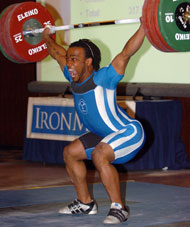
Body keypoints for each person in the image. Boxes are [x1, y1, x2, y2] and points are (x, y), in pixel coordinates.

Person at [42, 21, 146, 224]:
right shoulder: (71, 76)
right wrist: (46, 37)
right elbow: (56, 53)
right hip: (103, 135)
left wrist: (145, 26)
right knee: (70, 153)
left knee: (99, 154)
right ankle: (85, 202)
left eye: (74, 59)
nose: (69, 63)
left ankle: (119, 208)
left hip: (128, 132)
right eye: (68, 59)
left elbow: (126, 53)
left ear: (88, 62)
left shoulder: (104, 78)